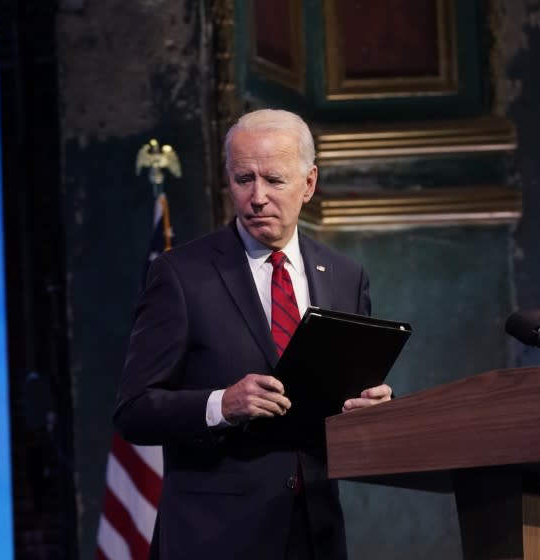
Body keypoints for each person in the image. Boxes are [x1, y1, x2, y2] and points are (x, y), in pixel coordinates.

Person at [113, 109, 392, 560]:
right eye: (244, 178)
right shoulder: (181, 275)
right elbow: (133, 411)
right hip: (215, 538)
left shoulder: (345, 276)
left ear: (309, 183)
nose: (257, 197)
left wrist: (372, 412)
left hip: (314, 533)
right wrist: (220, 405)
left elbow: (340, 410)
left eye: (274, 180)